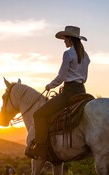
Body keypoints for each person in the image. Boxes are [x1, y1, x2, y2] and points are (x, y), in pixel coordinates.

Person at [25, 25, 90, 159]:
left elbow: (61, 77)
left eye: (65, 38)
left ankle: (40, 148)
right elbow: (85, 78)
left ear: (70, 39)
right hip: (82, 91)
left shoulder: (68, 54)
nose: (64, 41)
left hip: (69, 92)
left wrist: (50, 85)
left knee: (39, 115)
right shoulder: (86, 56)